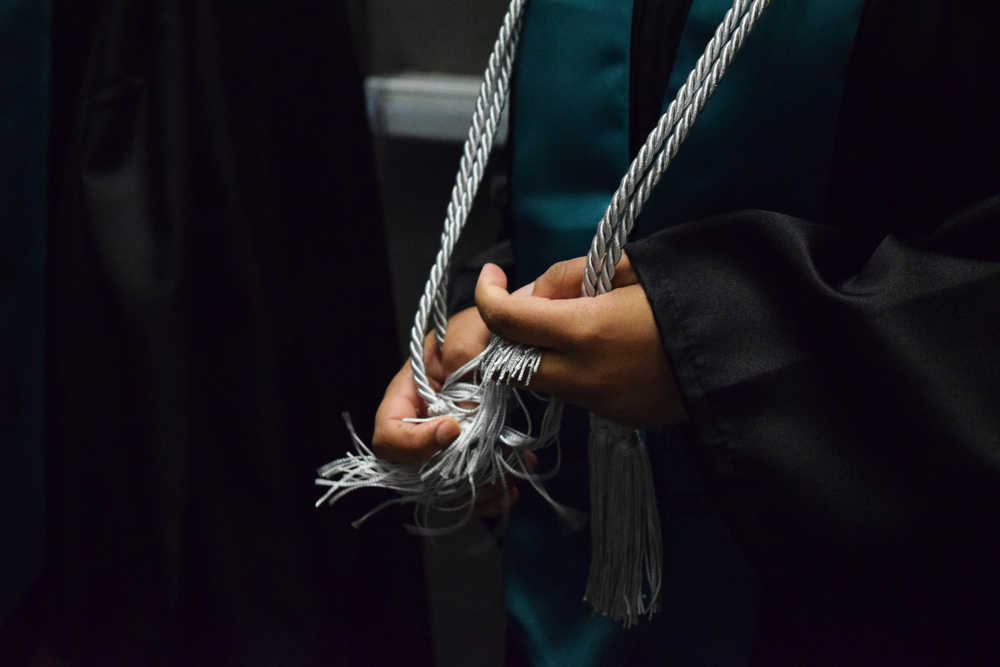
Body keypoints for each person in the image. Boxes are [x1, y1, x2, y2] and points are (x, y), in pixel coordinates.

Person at [373, 0, 1000, 664]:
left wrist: (716, 338)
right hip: (568, 566)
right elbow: (597, 146)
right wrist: (502, 316)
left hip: (862, 600)